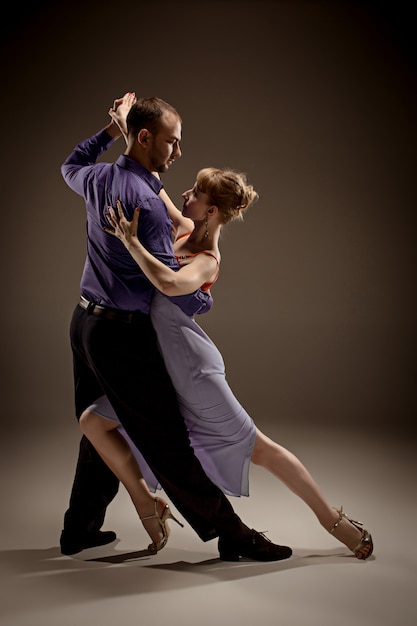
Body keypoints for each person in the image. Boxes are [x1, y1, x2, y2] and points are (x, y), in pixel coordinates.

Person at [80, 160, 373, 560]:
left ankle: (335, 523)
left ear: (212, 211)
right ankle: (147, 502)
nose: (186, 196)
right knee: (93, 421)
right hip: (158, 368)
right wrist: (125, 131)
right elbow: (150, 181)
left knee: (260, 448)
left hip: (195, 374)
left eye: (195, 194)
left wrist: (132, 244)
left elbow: (168, 282)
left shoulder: (207, 259)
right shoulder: (183, 228)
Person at [59, 91, 293, 563]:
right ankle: (232, 534)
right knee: (167, 439)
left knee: (104, 424)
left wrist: (113, 130)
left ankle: (79, 528)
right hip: (121, 336)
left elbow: (70, 164)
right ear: (145, 137)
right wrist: (204, 290)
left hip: (83, 323)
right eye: (172, 142)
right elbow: (173, 287)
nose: (178, 153)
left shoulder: (101, 177)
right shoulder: (144, 203)